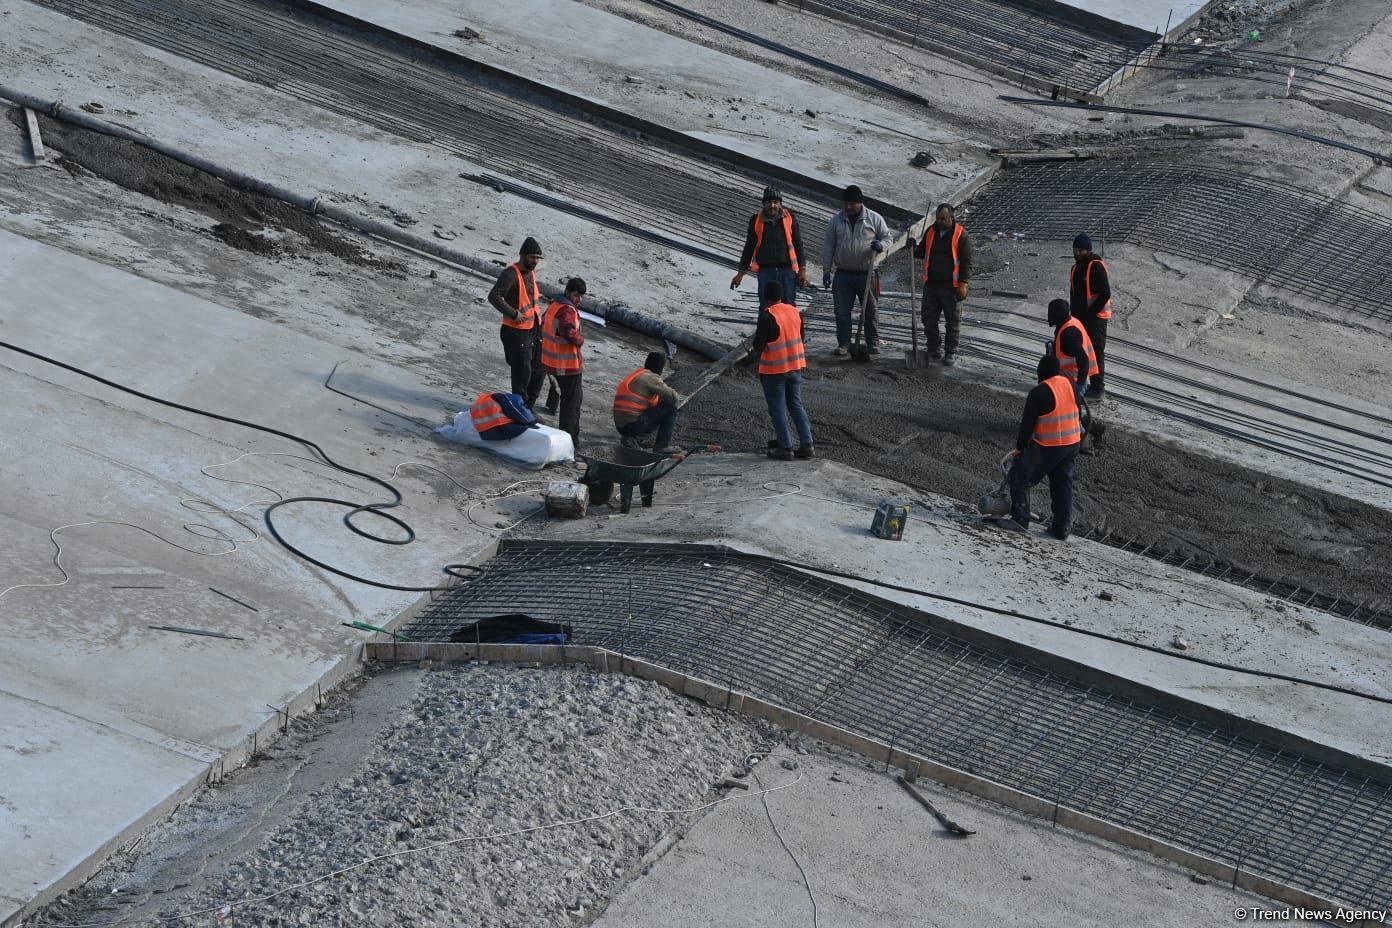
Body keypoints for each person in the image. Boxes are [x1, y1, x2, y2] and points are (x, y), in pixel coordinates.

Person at [998, 354, 1083, 540]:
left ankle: (1020, 520)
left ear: (1040, 373)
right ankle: (1062, 528)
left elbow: (1026, 427)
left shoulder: (1039, 392)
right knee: (1063, 482)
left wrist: (1020, 450)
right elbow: (1079, 410)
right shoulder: (1069, 383)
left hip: (1048, 447)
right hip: (1072, 443)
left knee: (1019, 476)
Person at [822, 185, 889, 356]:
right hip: (843, 274)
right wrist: (826, 270)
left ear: (860, 203)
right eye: (846, 204)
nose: (848, 207)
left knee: (870, 311)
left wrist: (881, 245)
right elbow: (828, 247)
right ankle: (844, 343)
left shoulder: (874, 219)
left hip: (867, 274)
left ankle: (872, 342)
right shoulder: (836, 221)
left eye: (852, 204)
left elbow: (888, 237)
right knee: (842, 312)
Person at [753, 281, 814, 461]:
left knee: (778, 408)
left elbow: (759, 345)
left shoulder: (767, 316)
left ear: (766, 297)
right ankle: (807, 444)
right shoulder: (794, 311)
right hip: (795, 366)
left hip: (775, 370)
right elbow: (800, 336)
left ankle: (785, 446)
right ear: (781, 295)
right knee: (795, 405)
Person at [910, 203, 973, 366]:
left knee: (952, 321)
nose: (939, 221)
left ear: (952, 217)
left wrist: (963, 283)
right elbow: (921, 252)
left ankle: (950, 352)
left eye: (942, 219)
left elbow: (967, 261)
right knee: (928, 319)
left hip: (951, 287)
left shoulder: (961, 235)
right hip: (931, 285)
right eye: (937, 218)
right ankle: (933, 348)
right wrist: (912, 247)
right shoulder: (931, 231)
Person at [488, 237, 546, 408]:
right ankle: (519, 409)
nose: (535, 261)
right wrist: (513, 313)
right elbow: (494, 296)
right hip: (516, 330)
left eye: (537, 258)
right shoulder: (511, 274)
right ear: (522, 255)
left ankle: (528, 407)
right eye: (532, 257)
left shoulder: (531, 273)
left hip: (533, 329)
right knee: (522, 373)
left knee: (538, 369)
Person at [731, 187, 807, 309]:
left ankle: (787, 329)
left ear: (780, 204)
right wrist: (740, 273)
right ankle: (765, 328)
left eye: (775, 202)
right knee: (766, 307)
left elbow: (798, 244)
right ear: (763, 204)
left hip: (787, 271)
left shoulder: (790, 218)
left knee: (788, 306)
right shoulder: (755, 220)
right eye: (769, 202)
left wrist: (802, 270)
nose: (772, 205)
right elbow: (749, 247)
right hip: (766, 272)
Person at [540, 277, 587, 448]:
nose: (579, 300)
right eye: (577, 296)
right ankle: (570, 444)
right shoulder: (567, 310)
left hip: (551, 362)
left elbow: (543, 322)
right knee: (571, 406)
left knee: (570, 401)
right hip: (568, 366)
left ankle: (566, 439)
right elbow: (569, 332)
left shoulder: (554, 305)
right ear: (570, 292)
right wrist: (580, 340)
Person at [1069, 234, 1112, 399]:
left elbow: (1105, 294)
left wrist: (1089, 314)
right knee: (1082, 351)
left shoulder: (1095, 266)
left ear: (1088, 250)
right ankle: (1083, 383)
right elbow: (1074, 294)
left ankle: (1098, 388)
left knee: (1096, 352)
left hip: (1096, 319)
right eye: (1076, 250)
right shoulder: (1076, 268)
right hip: (1081, 318)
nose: (1078, 253)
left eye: (1081, 250)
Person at [613, 351, 682, 453]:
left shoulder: (638, 374)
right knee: (671, 408)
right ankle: (661, 446)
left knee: (655, 407)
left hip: (621, 425)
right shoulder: (651, 377)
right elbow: (673, 397)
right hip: (631, 425)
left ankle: (637, 438)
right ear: (660, 368)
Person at [1047, 298, 1097, 398]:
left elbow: (1083, 359)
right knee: (1049, 348)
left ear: (1056, 315)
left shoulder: (1069, 335)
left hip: (1072, 378)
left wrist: (1079, 385)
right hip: (1075, 375)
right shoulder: (1071, 321)